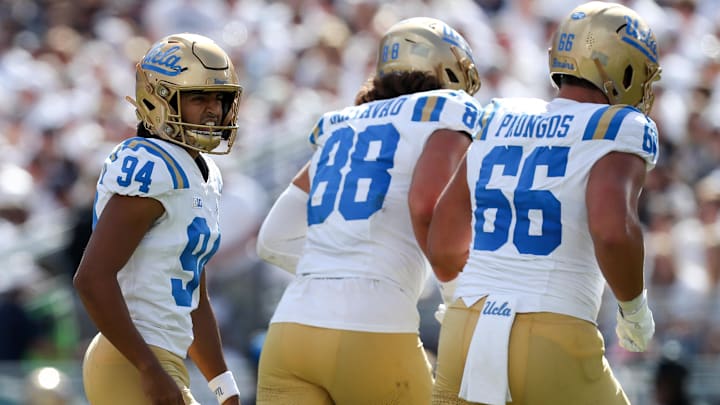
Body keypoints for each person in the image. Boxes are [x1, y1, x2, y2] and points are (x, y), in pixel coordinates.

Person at [426, 2, 661, 404]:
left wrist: (465, 299)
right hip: (551, 332)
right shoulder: (617, 126)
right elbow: (611, 229)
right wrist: (634, 310)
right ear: (623, 68)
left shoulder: (498, 116)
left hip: (464, 330)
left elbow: (444, 243)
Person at [254, 17, 482, 404]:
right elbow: (427, 205)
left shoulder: (340, 127)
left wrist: (338, 269)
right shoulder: (446, 111)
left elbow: (272, 238)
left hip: (289, 330)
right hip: (372, 328)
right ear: (446, 70)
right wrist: (456, 293)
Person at [73, 33, 243, 405]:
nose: (214, 109)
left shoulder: (204, 170)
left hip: (160, 355)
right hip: (129, 358)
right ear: (158, 99)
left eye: (220, 97)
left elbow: (193, 293)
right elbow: (92, 278)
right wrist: (148, 368)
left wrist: (224, 388)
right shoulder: (153, 165)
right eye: (198, 97)